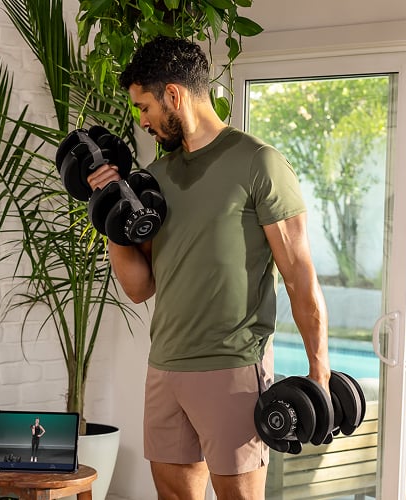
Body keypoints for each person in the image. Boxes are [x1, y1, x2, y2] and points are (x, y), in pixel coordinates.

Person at [86, 36, 330, 499]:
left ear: (173, 96)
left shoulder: (258, 163)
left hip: (232, 369)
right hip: (165, 366)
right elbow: (140, 288)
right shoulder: (155, 180)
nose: (142, 121)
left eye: (144, 107)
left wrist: (320, 371)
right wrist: (109, 208)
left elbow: (300, 278)